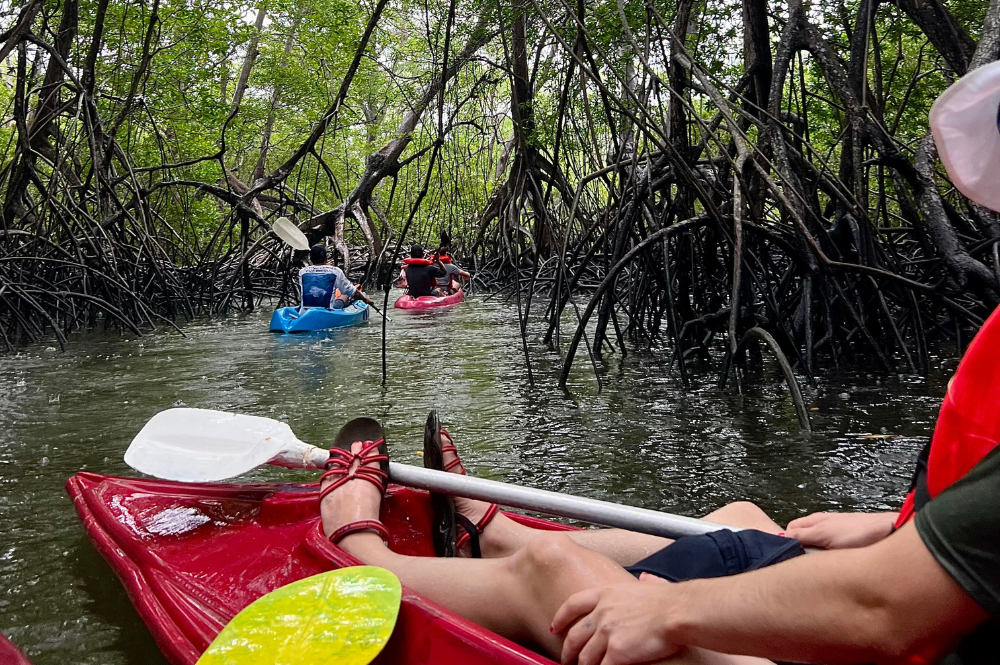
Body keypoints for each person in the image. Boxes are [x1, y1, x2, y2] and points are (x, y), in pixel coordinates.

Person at [299, 244, 373, 310]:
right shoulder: (335, 271)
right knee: (345, 294)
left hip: (305, 312)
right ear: (326, 258)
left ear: (311, 259)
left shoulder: (302, 272)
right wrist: (364, 299)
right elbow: (352, 292)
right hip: (327, 312)